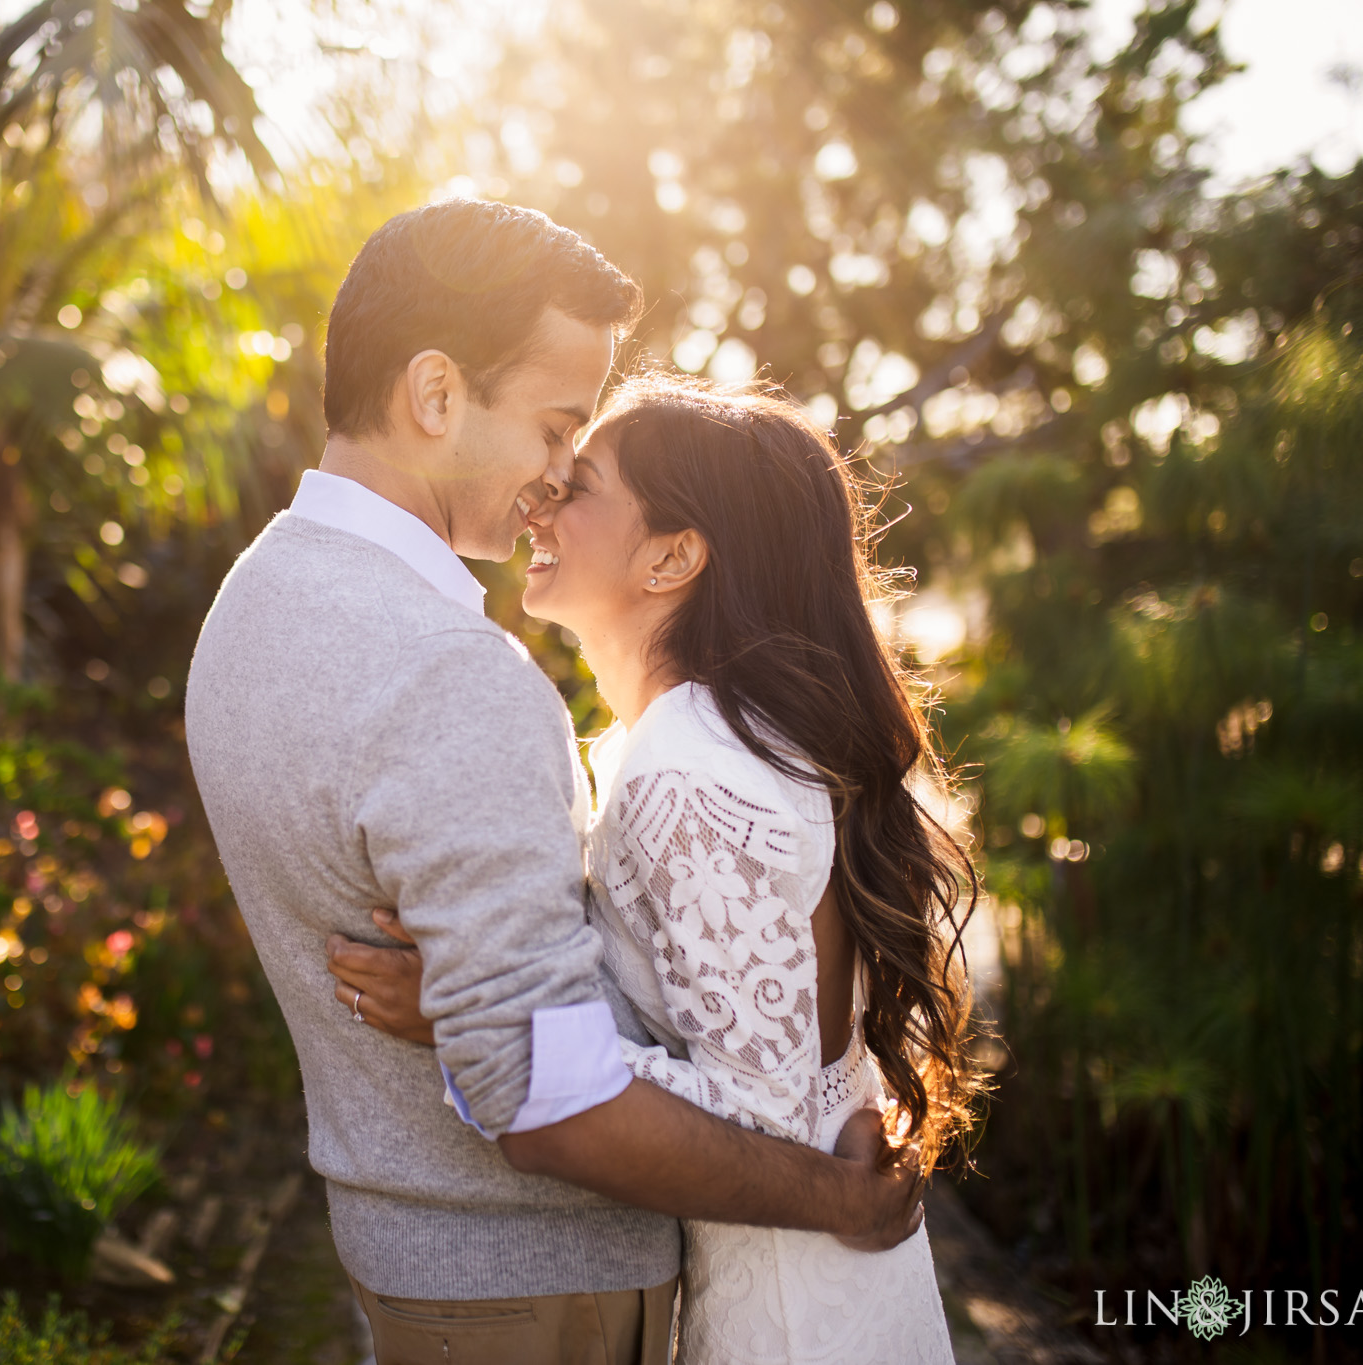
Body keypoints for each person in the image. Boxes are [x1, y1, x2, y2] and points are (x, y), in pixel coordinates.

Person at [185, 199, 923, 1365]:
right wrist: (840, 1200)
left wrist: (471, 1011)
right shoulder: (450, 677)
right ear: (435, 396)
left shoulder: (250, 605)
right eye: (552, 429)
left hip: (432, 1262)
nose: (554, 476)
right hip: (535, 1292)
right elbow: (538, 1079)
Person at [330, 372, 983, 1361]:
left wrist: (477, 1011)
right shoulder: (724, 739)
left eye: (579, 482)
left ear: (671, 556)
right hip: (819, 1278)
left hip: (787, 1315)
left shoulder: (686, 772)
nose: (542, 494)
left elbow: (759, 1117)